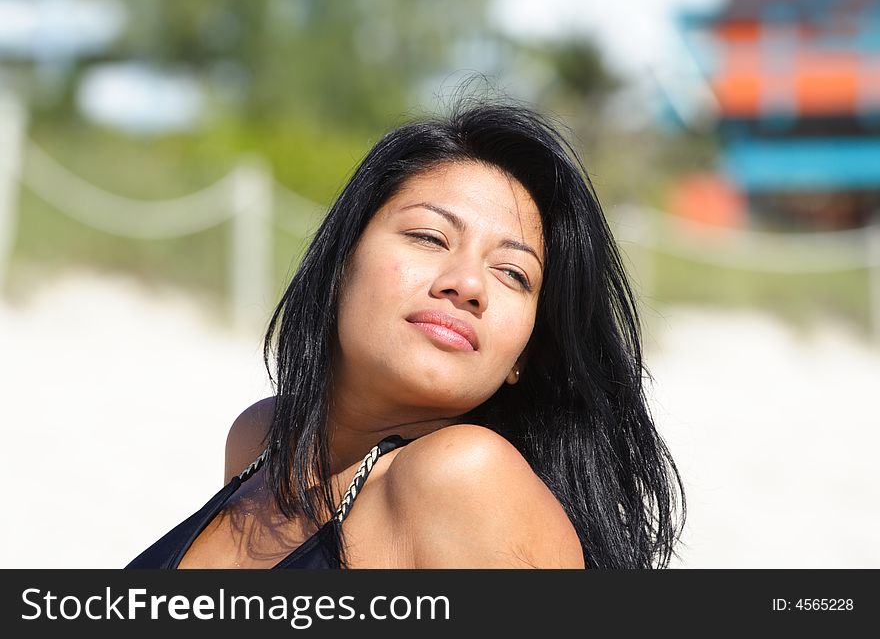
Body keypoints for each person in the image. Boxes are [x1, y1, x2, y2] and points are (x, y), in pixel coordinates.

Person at [126, 95, 686, 570]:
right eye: (429, 237)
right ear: (341, 263)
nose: (468, 283)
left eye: (513, 274)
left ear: (525, 353)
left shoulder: (465, 479)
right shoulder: (262, 438)